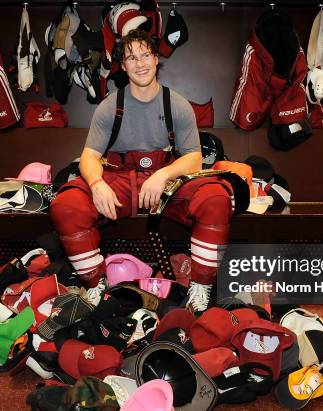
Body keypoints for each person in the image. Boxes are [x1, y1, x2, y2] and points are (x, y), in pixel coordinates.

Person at [50, 29, 235, 312]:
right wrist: (97, 183)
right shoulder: (109, 106)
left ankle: (200, 288)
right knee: (66, 205)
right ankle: (95, 286)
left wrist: (163, 175)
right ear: (123, 66)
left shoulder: (178, 104)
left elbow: (194, 160)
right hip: (120, 179)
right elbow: (88, 156)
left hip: (166, 181)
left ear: (156, 58)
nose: (140, 63)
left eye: (145, 55)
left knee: (216, 197)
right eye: (131, 58)